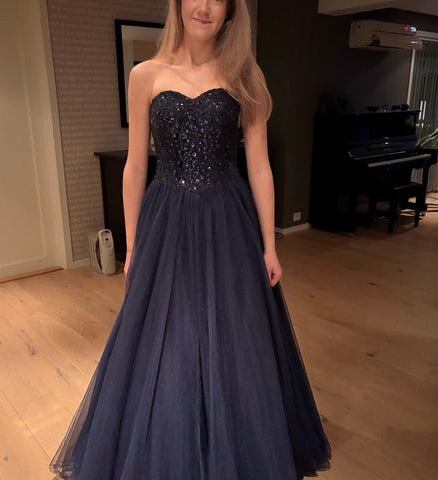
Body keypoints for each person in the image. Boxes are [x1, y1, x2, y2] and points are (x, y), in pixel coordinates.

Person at [49, 0, 332, 478]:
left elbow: (259, 166)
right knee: (168, 332)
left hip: (228, 219)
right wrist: (134, 244)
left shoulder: (245, 75)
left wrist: (269, 244)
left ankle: (235, 441)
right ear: (178, 4)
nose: (204, 7)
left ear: (231, 9)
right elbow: (134, 167)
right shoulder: (145, 75)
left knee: (236, 330)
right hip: (167, 219)